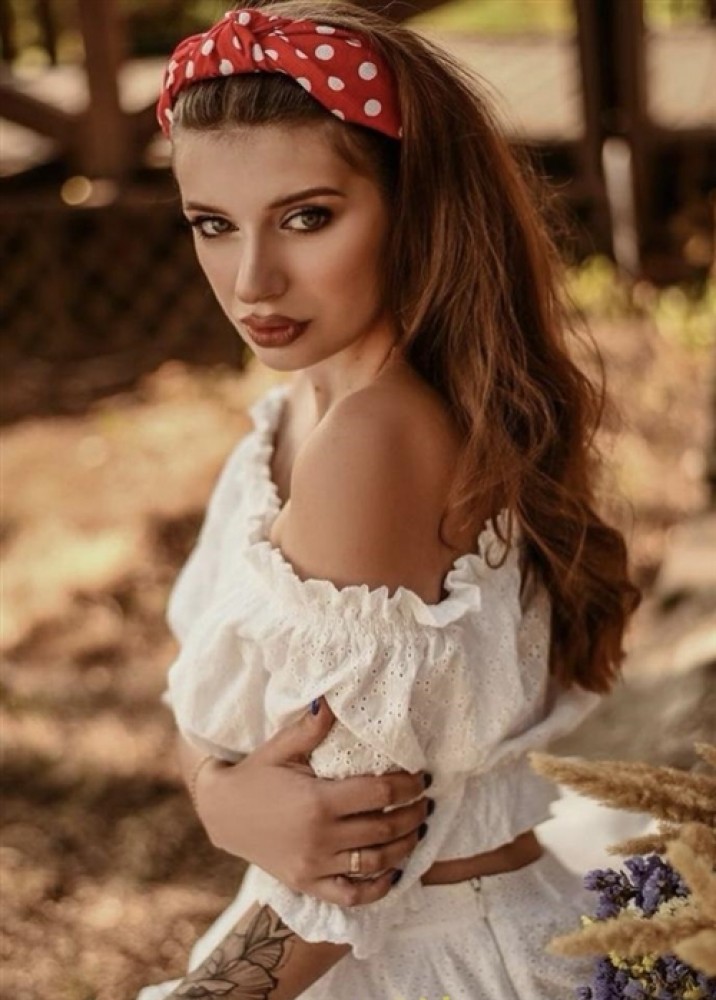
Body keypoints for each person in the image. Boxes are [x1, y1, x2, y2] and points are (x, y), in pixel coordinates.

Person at [137, 2, 641, 998]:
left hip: (424, 960)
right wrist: (217, 794)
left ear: (415, 205)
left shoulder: (373, 441)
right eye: (213, 224)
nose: (252, 280)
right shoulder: (296, 409)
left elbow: (352, 880)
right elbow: (213, 701)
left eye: (307, 217)